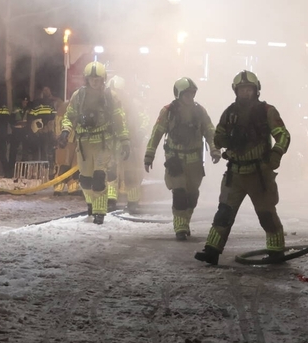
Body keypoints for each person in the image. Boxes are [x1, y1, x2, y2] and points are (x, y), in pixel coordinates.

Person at [194, 71, 290, 264]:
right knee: (224, 213)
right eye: (242, 90)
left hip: (259, 174)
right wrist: (228, 139)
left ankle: (276, 251)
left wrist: (276, 154)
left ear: (256, 90)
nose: (245, 93)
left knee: (267, 214)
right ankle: (212, 250)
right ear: (235, 91)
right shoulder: (229, 113)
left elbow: (283, 135)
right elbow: (218, 136)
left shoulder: (267, 111)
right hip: (235, 174)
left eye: (249, 89)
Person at [145, 77, 220, 240]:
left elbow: (209, 130)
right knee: (179, 193)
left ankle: (185, 220)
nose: (190, 97)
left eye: (192, 94)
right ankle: (180, 227)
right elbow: (156, 133)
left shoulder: (200, 111)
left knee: (192, 195)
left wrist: (215, 149)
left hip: (195, 161)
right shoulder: (168, 111)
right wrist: (149, 155)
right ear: (178, 94)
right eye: (186, 94)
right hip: (175, 159)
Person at [58, 62, 130, 224]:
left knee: (99, 177)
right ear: (86, 79)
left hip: (104, 143)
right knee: (85, 180)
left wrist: (124, 140)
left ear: (103, 79)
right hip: (84, 143)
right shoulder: (79, 96)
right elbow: (69, 116)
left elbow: (119, 118)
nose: (94, 81)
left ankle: (99, 211)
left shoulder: (110, 96)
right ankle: (91, 202)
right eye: (91, 78)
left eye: (97, 78)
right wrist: (65, 132)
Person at [105, 76, 149, 212]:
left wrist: (140, 133)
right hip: (112, 142)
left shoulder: (134, 104)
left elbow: (145, 118)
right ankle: (111, 199)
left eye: (115, 91)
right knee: (111, 171)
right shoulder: (107, 104)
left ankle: (133, 201)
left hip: (130, 141)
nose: (113, 94)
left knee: (131, 173)